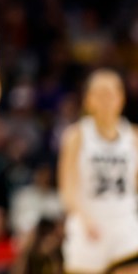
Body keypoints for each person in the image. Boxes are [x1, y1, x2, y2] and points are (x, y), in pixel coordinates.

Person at [57, 68, 138, 274]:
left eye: (111, 93)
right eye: (99, 93)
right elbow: (67, 189)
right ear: (88, 100)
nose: (106, 100)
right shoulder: (76, 136)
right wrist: (85, 219)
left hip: (125, 227)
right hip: (88, 227)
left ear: (121, 98)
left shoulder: (134, 137)